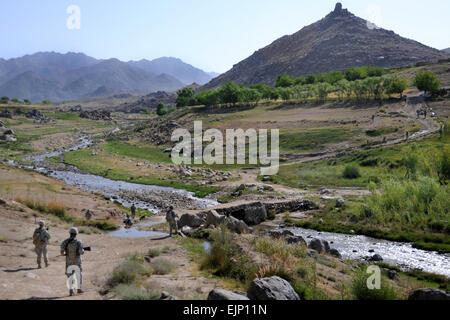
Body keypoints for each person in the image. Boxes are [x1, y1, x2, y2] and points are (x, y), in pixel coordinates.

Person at [60, 228, 84, 296]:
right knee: (79, 274)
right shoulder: (79, 242)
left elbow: (62, 252)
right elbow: (81, 252)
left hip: (69, 260)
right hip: (77, 261)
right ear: (76, 234)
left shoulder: (65, 241)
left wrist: (66, 253)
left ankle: (71, 290)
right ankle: (79, 289)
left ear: (70, 233)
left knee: (69, 275)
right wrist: (83, 251)